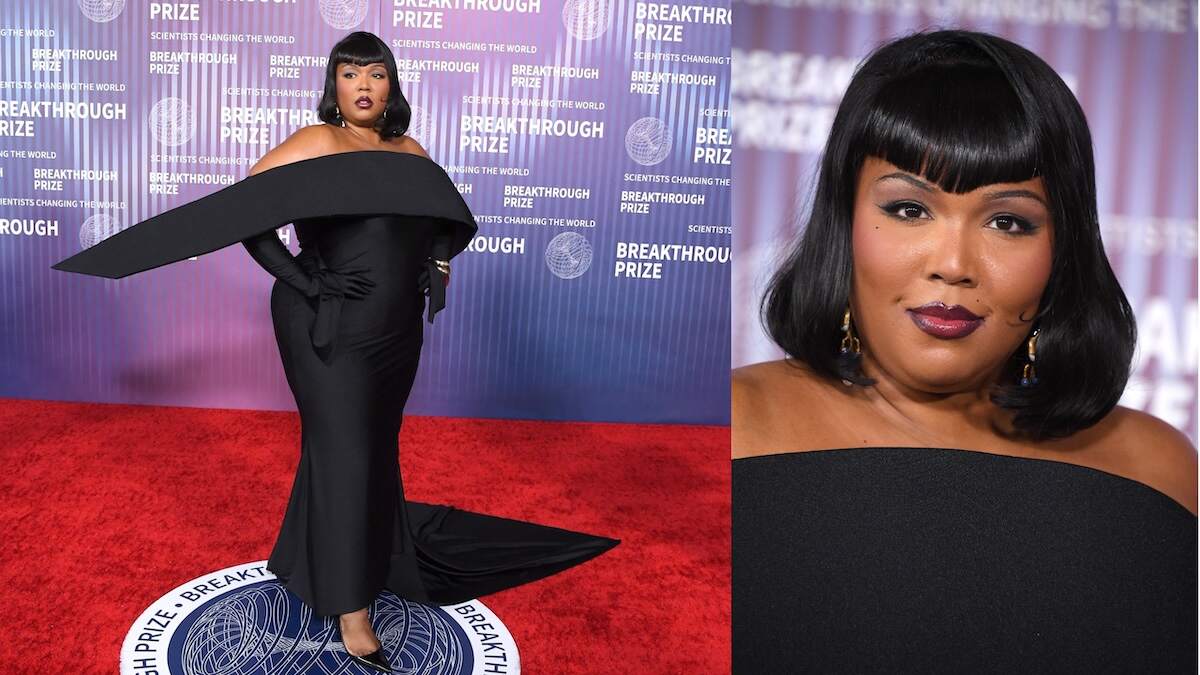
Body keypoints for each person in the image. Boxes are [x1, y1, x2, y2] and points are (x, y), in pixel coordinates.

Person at [53, 31, 619, 673]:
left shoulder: (410, 151)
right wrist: (304, 279)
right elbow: (246, 212)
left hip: (396, 330)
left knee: (367, 449)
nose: (363, 86)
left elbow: (441, 224)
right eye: (350, 74)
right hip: (326, 324)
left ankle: (329, 556)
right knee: (347, 451)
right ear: (335, 84)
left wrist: (435, 261)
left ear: (391, 85)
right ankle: (352, 606)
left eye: (375, 74)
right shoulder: (316, 141)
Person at [731, 29, 1197, 672]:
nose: (953, 265)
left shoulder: (1157, 473)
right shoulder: (730, 428)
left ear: (1061, 251)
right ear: (845, 222)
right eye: (907, 209)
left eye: (1008, 222)